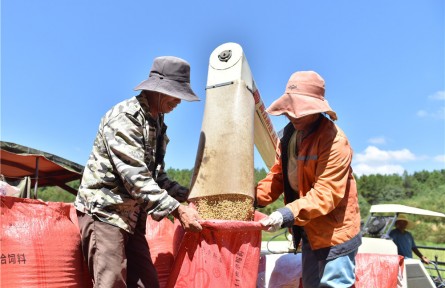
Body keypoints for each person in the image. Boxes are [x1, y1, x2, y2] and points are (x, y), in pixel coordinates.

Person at [74, 56, 203, 288]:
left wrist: (188, 195)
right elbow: (135, 176)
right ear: (160, 90)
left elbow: (156, 177)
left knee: (148, 283)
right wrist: (177, 210)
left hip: (132, 218)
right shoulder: (125, 118)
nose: (179, 102)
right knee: (112, 282)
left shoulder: (157, 123)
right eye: (176, 94)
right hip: (106, 213)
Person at [256, 71, 362, 288]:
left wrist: (286, 214)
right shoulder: (287, 137)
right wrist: (251, 199)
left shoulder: (334, 141)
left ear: (316, 109)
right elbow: (277, 177)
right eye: (291, 110)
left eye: (300, 112)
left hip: (336, 233)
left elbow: (326, 193)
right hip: (309, 230)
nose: (293, 116)